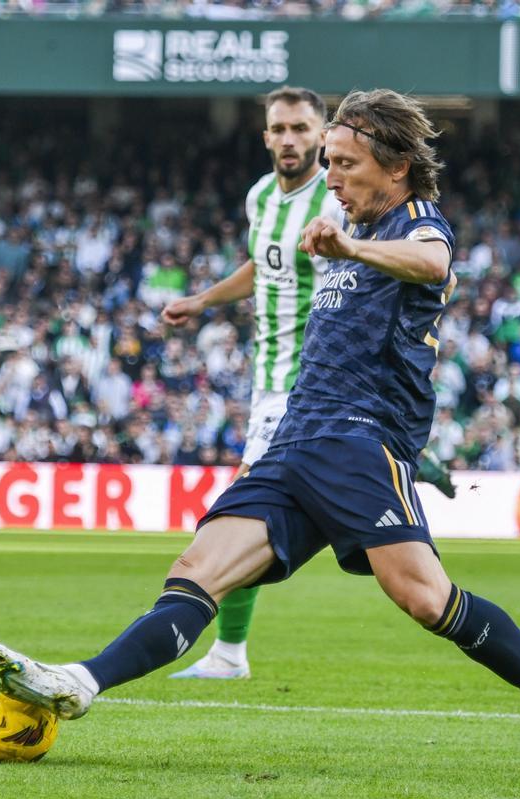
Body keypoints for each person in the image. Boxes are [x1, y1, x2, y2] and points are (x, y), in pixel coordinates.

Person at [0, 89, 520, 778]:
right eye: (327, 162)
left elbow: (433, 264)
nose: (330, 177)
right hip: (296, 435)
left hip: (361, 439)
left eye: (344, 162)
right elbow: (274, 264)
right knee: (195, 571)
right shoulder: (337, 219)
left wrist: (352, 246)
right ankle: (80, 681)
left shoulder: (416, 219)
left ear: (395, 166)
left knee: (426, 599)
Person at [160, 86, 453, 681]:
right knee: (252, 511)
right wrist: (204, 300)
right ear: (265, 136)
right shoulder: (261, 198)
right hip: (266, 379)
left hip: (315, 383)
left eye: (301, 129)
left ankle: (228, 653)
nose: (290, 140)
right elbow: (265, 264)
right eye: (279, 129)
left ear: (323, 136)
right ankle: (411, 464)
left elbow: (407, 258)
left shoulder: (344, 194)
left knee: (244, 502)